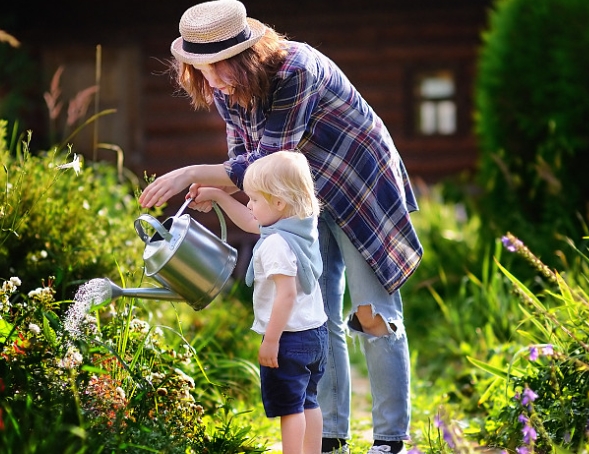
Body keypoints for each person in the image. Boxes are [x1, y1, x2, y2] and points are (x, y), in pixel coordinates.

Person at [138, 1, 423, 453]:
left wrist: (191, 172)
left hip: (356, 183)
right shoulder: (223, 88)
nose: (213, 81)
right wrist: (220, 193)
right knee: (315, 314)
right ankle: (329, 436)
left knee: (375, 315)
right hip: (300, 199)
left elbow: (271, 160)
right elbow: (242, 165)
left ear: (245, 54)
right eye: (201, 69)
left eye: (219, 67)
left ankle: (390, 439)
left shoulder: (296, 70)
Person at [190, 150, 328, 454]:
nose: (249, 205)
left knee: (290, 408)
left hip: (287, 338)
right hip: (315, 332)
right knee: (309, 401)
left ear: (278, 203)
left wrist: (271, 340)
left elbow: (286, 294)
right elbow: (254, 221)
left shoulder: (276, 244)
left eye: (253, 199)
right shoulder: (302, 224)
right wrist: (217, 196)